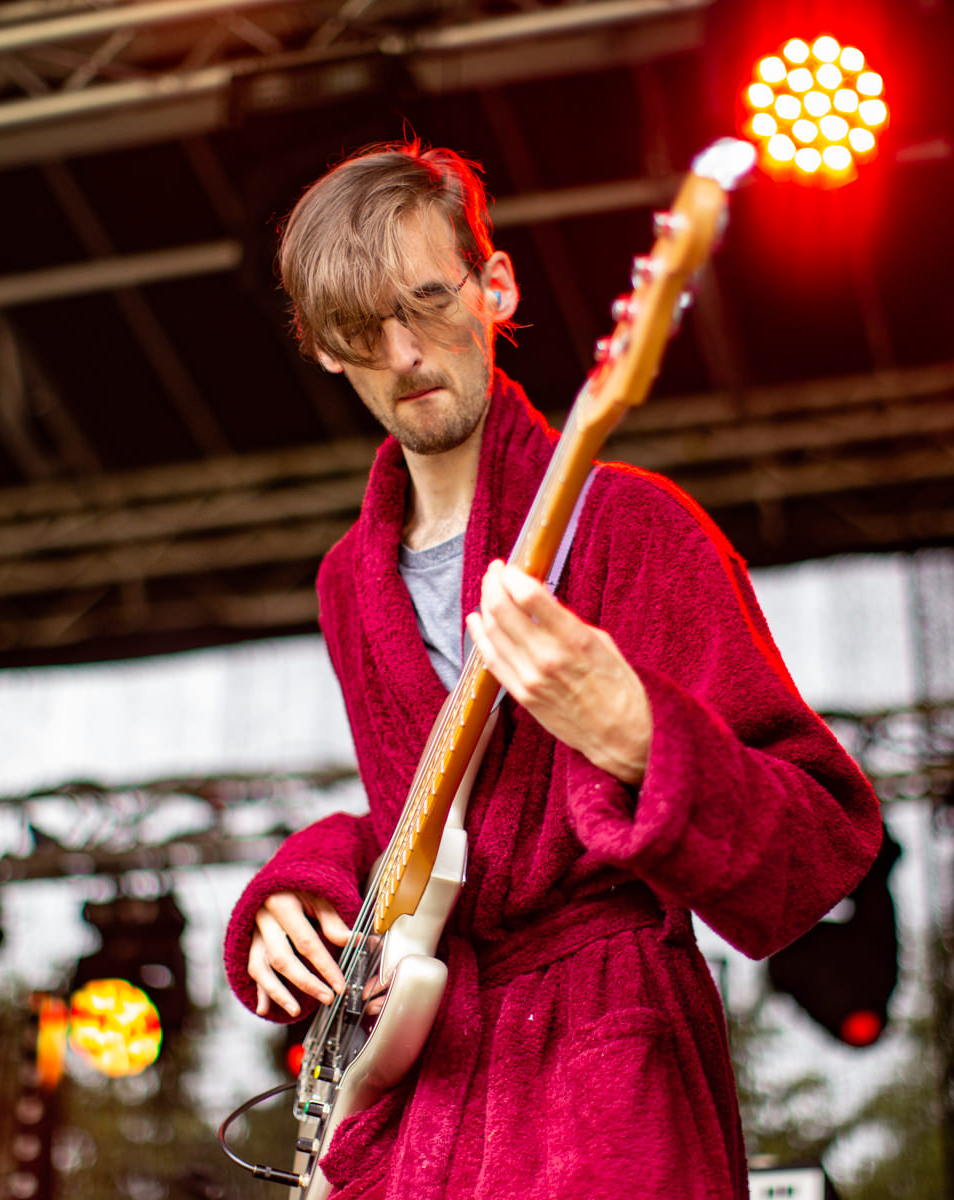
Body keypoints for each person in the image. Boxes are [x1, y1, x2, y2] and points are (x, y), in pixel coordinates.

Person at [222, 141, 881, 1200]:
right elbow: (431, 831)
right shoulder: (348, 581)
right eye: (361, 332)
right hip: (428, 1096)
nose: (407, 355)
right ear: (324, 353)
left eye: (430, 303)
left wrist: (640, 736)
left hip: (605, 1073)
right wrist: (299, 888)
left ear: (497, 286)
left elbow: (822, 844)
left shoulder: (630, 524)